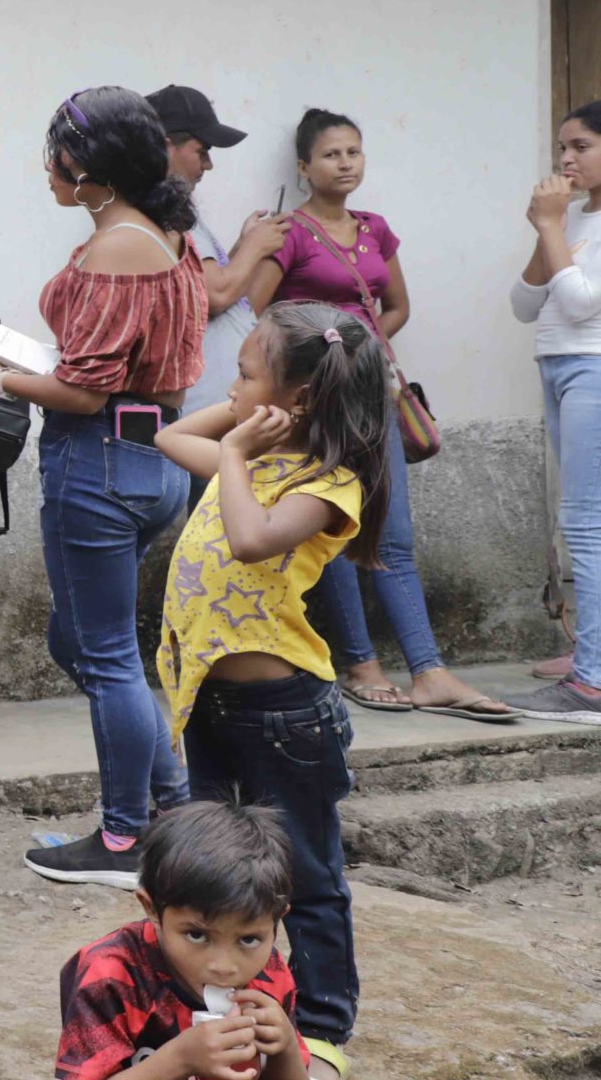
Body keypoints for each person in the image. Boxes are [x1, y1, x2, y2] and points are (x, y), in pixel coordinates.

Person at [154, 301, 388, 1080]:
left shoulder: (328, 483)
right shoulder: (246, 453)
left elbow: (253, 539)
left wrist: (239, 447)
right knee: (216, 872)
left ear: (299, 401)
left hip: (285, 714)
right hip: (213, 705)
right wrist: (247, 419)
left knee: (310, 877)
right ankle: (218, 1011)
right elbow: (169, 436)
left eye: (246, 373)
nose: (231, 384)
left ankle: (322, 1028)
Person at [0, 88, 203, 890]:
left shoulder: (118, 249)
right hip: (148, 453)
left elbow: (85, 390)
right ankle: (172, 803)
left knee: (105, 657)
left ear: (88, 166)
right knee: (82, 645)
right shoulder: (163, 231)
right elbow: (115, 371)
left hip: (100, 457)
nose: (46, 168)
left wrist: (0, 377)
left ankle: (123, 837)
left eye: (55, 154)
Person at [245, 109, 509, 719]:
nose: (346, 163)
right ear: (304, 167)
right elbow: (255, 313)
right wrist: (318, 362)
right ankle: (361, 664)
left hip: (375, 397)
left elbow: (396, 307)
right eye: (332, 154)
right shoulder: (289, 232)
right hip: (317, 405)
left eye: (354, 153)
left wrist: (358, 353)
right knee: (329, 527)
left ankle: (429, 671)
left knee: (391, 533)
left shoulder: (375, 229)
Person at [56, 803, 345, 1080]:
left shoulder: (269, 976)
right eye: (197, 935)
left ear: (277, 921)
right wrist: (179, 1059)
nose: (224, 965)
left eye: (249, 939)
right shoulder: (111, 975)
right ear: (152, 908)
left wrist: (282, 1046)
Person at [513, 102, 601, 711]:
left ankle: (592, 678)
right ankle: (595, 650)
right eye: (561, 150)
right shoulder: (575, 223)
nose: (566, 160)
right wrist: (548, 232)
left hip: (593, 368)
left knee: (586, 523)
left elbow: (580, 305)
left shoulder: (565, 225)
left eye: (581, 147)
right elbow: (525, 304)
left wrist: (549, 228)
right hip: (559, 368)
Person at [147, 86, 283, 421]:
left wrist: (241, 246)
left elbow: (203, 279)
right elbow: (214, 294)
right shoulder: (160, 209)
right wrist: (256, 246)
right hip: (199, 417)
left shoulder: (172, 204)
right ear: (166, 146)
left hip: (213, 414)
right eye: (202, 150)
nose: (208, 164)